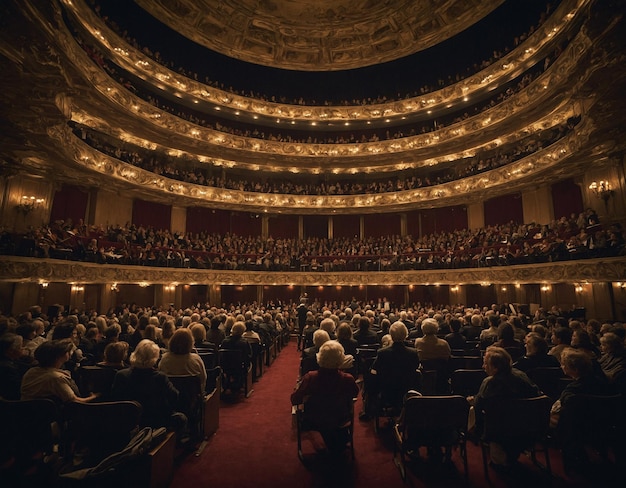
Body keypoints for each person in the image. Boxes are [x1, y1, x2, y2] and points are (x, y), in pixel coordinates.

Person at [468, 346, 542, 468]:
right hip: (528, 426)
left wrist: (472, 401)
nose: (483, 367)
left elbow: (478, 407)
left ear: (496, 368)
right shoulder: (521, 375)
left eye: (486, 364)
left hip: (498, 429)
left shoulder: (489, 383)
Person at [291, 340, 359, 454]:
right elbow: (354, 394)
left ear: (320, 357)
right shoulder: (348, 379)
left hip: (313, 419)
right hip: (341, 417)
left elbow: (295, 399)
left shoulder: (310, 377)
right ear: (341, 358)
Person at [111, 339, 186, 433]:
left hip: (128, 422)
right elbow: (174, 397)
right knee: (181, 418)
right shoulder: (160, 377)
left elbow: (115, 399)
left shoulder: (121, 375)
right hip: (156, 421)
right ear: (155, 358)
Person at [366, 322, 421, 419]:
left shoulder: (383, 353)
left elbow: (374, 370)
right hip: (407, 388)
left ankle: (370, 409)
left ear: (391, 335)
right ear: (405, 334)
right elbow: (415, 368)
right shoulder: (413, 353)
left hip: (387, 390)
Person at [20, 340, 99, 403]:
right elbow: (75, 401)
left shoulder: (31, 371)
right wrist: (94, 396)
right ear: (58, 356)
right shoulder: (56, 378)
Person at [159, 328, 207, 394]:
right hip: (192, 399)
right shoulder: (196, 359)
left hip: (169, 399)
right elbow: (203, 379)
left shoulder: (164, 359)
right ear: (190, 343)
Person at [0, 333, 31, 400]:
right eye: (21, 347)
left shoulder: (10, 361)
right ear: (11, 351)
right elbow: (17, 391)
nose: (23, 348)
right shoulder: (7, 368)